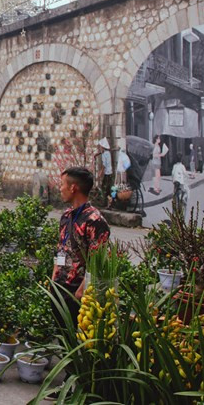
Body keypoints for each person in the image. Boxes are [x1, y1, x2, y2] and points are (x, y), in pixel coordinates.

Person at [51, 167, 111, 325]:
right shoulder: (66, 216)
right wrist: (54, 278)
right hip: (60, 287)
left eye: (62, 184)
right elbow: (61, 248)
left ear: (73, 187)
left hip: (77, 292)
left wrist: (81, 291)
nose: (60, 188)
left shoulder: (95, 221)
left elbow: (97, 261)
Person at [97, 138, 114, 206]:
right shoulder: (107, 153)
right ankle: (108, 203)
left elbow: (104, 165)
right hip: (109, 172)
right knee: (107, 188)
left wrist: (101, 172)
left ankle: (107, 202)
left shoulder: (105, 154)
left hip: (108, 173)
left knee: (105, 188)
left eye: (100, 146)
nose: (100, 147)